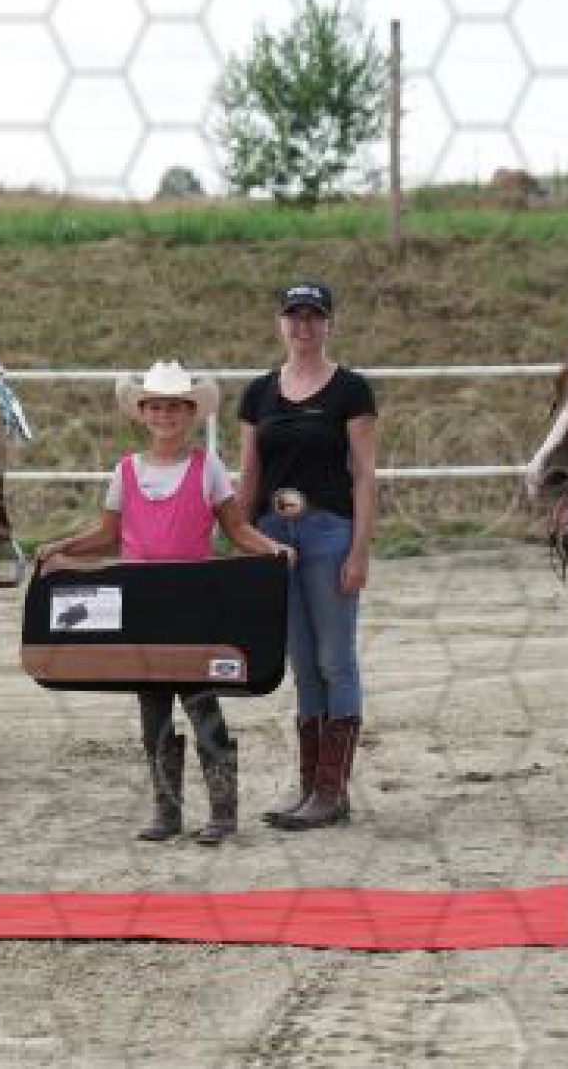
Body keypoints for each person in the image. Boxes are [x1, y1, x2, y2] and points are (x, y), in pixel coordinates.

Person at [36, 361, 293, 845]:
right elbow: (107, 535)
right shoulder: (125, 472)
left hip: (194, 607)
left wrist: (272, 549)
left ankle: (222, 813)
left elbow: (236, 529)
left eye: (174, 407)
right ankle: (166, 811)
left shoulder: (207, 468)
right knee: (152, 709)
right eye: (155, 407)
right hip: (143, 609)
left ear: (190, 413)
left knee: (202, 704)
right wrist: (62, 548)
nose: (164, 415)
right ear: (143, 413)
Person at [237, 282, 379, 832]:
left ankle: (332, 789)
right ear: (280, 324)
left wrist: (359, 549)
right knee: (300, 659)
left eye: (313, 316)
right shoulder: (258, 393)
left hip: (328, 531)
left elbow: (363, 475)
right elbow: (249, 473)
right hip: (275, 534)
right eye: (294, 316)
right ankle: (311, 785)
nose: (303, 325)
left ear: (329, 324)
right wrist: (243, 539)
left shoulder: (351, 391)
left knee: (333, 657)